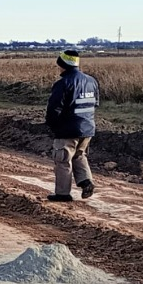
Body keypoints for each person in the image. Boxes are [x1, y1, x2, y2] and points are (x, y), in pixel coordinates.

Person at [45, 48, 100, 202]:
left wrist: (52, 125)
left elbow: (54, 108)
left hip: (67, 129)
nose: (58, 68)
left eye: (59, 65)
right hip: (87, 128)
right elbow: (95, 104)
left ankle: (62, 194)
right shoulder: (91, 81)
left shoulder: (63, 83)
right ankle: (86, 181)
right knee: (79, 155)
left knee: (62, 160)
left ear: (63, 65)